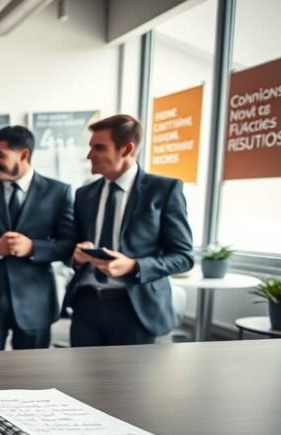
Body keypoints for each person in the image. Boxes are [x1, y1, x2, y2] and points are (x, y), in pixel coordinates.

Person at [62, 114, 194, 346]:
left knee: (134, 382)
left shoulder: (164, 190)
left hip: (136, 309)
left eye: (99, 148)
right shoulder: (84, 195)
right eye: (90, 147)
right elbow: (71, 246)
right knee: (82, 381)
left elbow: (183, 257)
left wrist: (134, 266)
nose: (89, 155)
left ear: (126, 149)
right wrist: (78, 255)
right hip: (87, 308)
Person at [0, 126, 75, 351]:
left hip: (36, 303)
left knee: (32, 377)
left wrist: (32, 248)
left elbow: (68, 246)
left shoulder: (59, 192)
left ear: (24, 154)